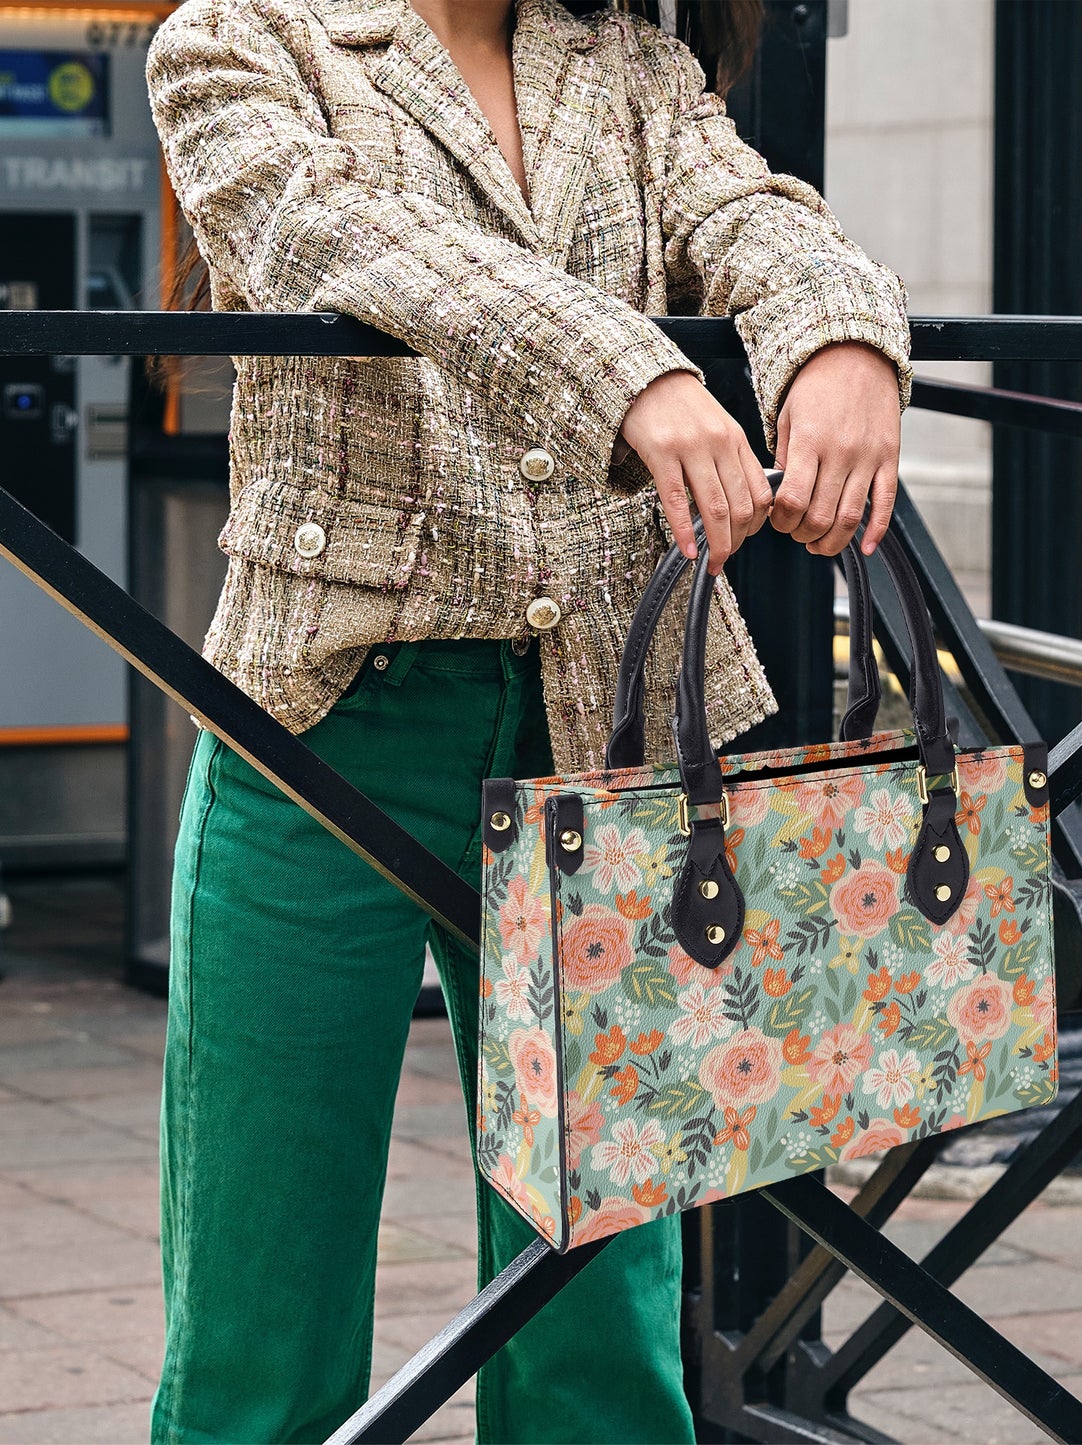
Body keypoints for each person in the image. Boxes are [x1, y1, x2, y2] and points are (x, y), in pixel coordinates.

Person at [142, 0, 911, 1439]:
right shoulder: (238, 39)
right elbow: (347, 236)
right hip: (327, 724)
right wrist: (639, 372)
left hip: (601, 723)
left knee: (599, 1322)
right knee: (263, 1305)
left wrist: (840, 339)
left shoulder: (623, 60)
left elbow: (752, 215)